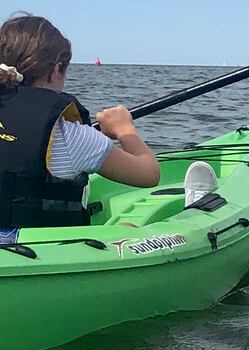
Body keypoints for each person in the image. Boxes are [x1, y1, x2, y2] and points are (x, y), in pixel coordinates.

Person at [0, 13, 160, 231]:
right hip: (38, 254)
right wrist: (124, 130)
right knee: (129, 226)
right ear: (56, 69)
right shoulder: (69, 135)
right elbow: (149, 174)